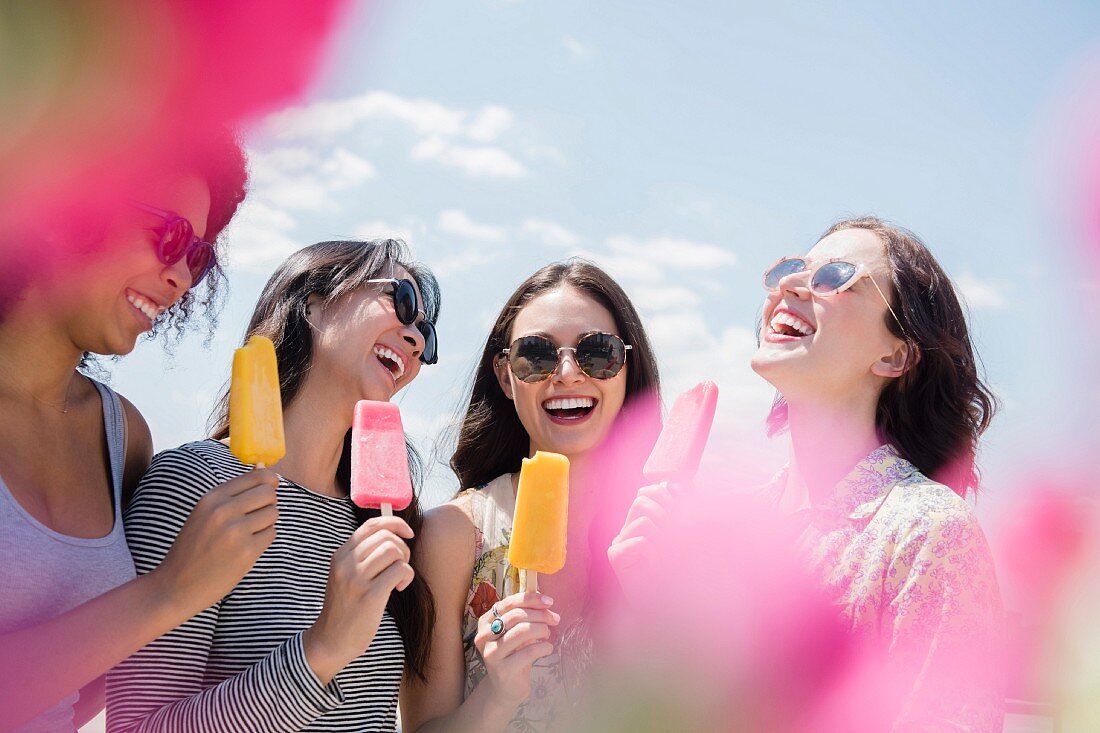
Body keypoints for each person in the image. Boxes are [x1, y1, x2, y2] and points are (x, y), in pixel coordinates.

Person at [611, 217, 1004, 731]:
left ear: (896, 354)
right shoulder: (738, 531)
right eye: (793, 269)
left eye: (834, 276)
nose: (789, 286)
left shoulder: (928, 530)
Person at [105, 239, 440, 732]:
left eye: (425, 335)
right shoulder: (195, 483)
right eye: (403, 304)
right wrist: (320, 651)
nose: (413, 340)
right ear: (314, 301)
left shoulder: (382, 519)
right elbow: (135, 726)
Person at [0, 137, 276, 733]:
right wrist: (171, 591)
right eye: (169, 236)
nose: (180, 278)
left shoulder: (122, 436)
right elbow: (150, 605)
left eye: (198, 256)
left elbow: (93, 684)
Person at [403, 259, 660, 733]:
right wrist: (498, 697)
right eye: (536, 355)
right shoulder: (452, 536)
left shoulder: (672, 530)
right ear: (505, 377)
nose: (565, 374)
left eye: (597, 353)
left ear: (628, 369)